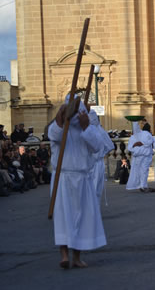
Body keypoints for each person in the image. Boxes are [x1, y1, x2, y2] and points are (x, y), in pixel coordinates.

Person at [48, 96, 106, 268]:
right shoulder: (57, 128)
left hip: (82, 177)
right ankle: (64, 255)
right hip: (63, 178)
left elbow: (97, 146)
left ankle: (77, 256)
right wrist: (61, 117)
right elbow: (55, 135)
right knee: (63, 217)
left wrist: (86, 126)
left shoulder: (86, 129)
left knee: (82, 217)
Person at [88, 110, 115, 203]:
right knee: (93, 187)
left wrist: (101, 153)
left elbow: (110, 146)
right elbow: (110, 146)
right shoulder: (98, 131)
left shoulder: (98, 131)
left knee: (95, 187)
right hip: (92, 163)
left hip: (95, 162)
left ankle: (93, 209)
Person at [126, 122, 155, 193]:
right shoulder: (132, 137)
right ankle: (140, 185)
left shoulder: (145, 134)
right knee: (138, 171)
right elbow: (130, 148)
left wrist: (142, 143)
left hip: (145, 156)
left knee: (144, 170)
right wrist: (136, 146)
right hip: (137, 157)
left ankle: (143, 185)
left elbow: (151, 140)